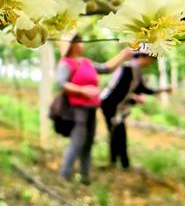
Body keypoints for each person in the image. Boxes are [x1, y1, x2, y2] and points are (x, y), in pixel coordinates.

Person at [55, 33, 133, 184]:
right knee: (77, 142)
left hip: (91, 108)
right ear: (72, 45)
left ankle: (85, 175)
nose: (82, 43)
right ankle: (65, 174)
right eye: (78, 41)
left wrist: (124, 54)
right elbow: (61, 83)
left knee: (89, 142)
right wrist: (82, 90)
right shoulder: (66, 63)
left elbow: (106, 68)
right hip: (77, 109)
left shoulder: (85, 62)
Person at [101, 51, 170, 169]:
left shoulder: (136, 69)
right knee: (117, 133)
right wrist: (133, 97)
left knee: (118, 134)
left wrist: (161, 90)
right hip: (110, 105)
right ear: (146, 56)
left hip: (117, 106)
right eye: (151, 60)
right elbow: (118, 90)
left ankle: (119, 162)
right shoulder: (129, 68)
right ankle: (119, 163)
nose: (150, 63)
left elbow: (140, 88)